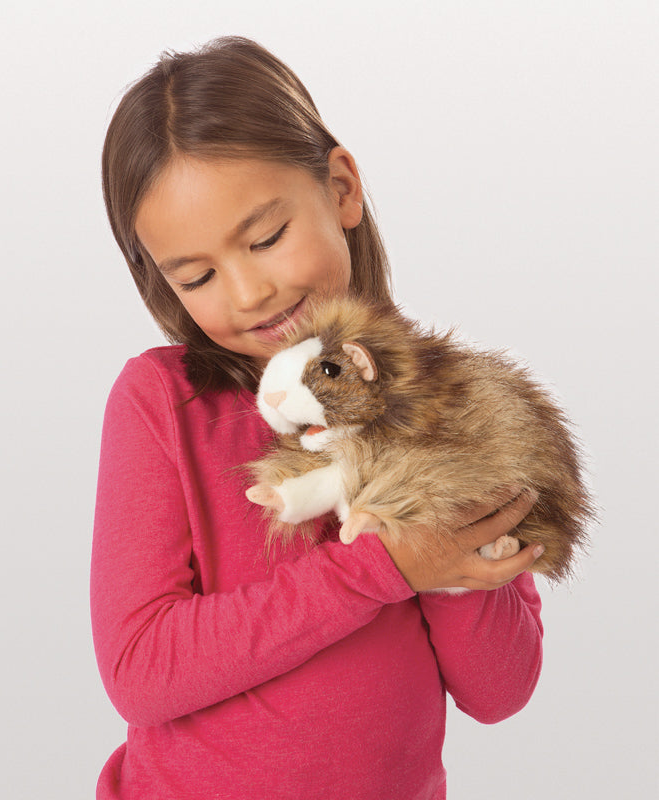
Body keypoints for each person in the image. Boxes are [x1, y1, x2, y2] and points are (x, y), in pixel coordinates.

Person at [92, 36, 544, 800]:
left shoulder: (450, 402)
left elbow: (499, 691)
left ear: (341, 189)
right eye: (197, 276)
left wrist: (439, 525)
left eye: (266, 238)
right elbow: (140, 670)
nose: (248, 294)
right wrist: (384, 568)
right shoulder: (163, 401)